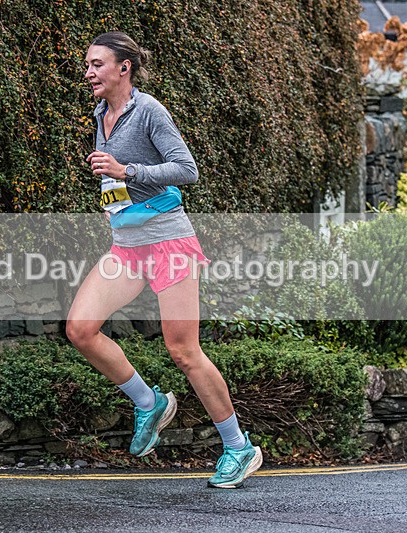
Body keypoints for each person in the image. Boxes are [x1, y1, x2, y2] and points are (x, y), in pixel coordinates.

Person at [66, 31, 262, 489]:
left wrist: (126, 171)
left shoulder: (149, 110)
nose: (88, 72)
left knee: (183, 350)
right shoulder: (102, 113)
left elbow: (186, 169)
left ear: (123, 68)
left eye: (97, 64)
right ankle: (148, 402)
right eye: (88, 64)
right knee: (80, 328)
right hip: (127, 246)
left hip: (168, 243)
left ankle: (238, 446)